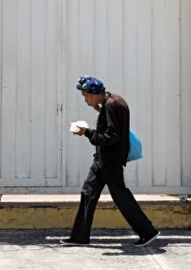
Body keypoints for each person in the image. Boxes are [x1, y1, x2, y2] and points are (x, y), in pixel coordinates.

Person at [61, 76, 159, 247]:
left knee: (121, 197)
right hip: (102, 160)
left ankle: (148, 231)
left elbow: (112, 136)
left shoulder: (111, 105)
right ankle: (79, 236)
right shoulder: (113, 101)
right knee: (88, 193)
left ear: (96, 93)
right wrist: (98, 109)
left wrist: (87, 133)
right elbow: (114, 124)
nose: (85, 100)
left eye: (87, 96)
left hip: (110, 161)